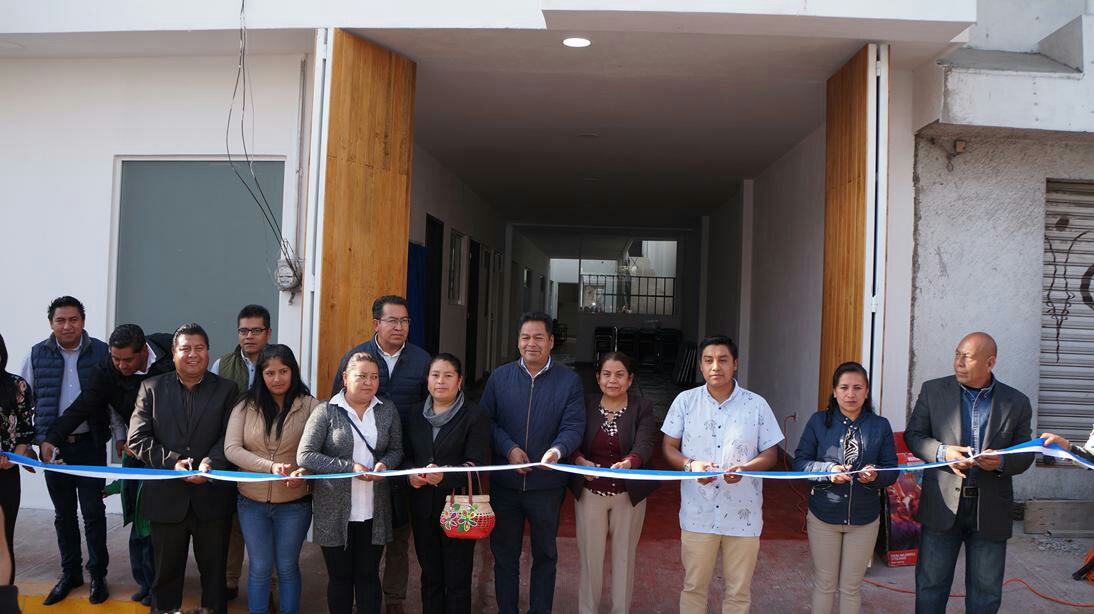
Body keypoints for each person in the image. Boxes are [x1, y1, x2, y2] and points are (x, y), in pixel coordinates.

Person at [42, 323, 173, 605]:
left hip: (170, 453)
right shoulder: (105, 370)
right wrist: (52, 437)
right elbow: (83, 405)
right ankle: (145, 583)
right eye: (116, 359)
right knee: (139, 522)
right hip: (137, 452)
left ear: (143, 352)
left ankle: (162, 585)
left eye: (127, 360)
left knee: (162, 524)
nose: (121, 366)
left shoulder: (168, 351)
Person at [905, 332, 1034, 614]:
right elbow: (914, 436)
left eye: (968, 357)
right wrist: (943, 453)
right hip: (942, 504)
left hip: (990, 508)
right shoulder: (933, 391)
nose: (959, 362)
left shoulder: (1016, 402)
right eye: (957, 354)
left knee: (985, 592)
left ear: (990, 362)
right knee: (930, 585)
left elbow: (1026, 454)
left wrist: (1001, 461)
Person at [661, 335, 783, 614]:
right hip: (697, 513)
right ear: (701, 366)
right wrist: (691, 465)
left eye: (723, 360)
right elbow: (668, 447)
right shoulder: (685, 402)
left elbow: (771, 453)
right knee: (694, 588)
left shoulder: (756, 404)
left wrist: (746, 469)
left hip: (743, 515)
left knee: (738, 592)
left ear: (735, 364)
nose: (716, 366)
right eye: (708, 360)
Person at [127, 323, 239, 614]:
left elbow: (231, 436)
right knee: (164, 578)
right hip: (166, 499)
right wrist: (172, 462)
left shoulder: (227, 390)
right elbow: (137, 439)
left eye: (199, 348)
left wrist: (211, 463)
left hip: (211, 499)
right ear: (174, 352)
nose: (193, 354)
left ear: (208, 352)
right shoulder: (151, 388)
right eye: (185, 348)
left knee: (215, 579)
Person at [330, 295, 430, 614]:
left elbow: (429, 410)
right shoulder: (356, 357)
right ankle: (356, 595)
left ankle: (394, 598)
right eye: (392, 320)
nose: (400, 327)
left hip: (402, 460)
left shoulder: (421, 360)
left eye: (405, 321)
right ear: (376, 324)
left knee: (398, 533)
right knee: (361, 535)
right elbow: (335, 406)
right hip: (359, 466)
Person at [482, 311, 585, 614]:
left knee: (545, 555)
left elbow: (574, 426)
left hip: (547, 486)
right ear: (518, 341)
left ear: (551, 341)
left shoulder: (569, 381)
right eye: (525, 337)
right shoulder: (499, 377)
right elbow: (486, 422)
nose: (531, 343)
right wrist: (509, 449)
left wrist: (556, 451)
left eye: (539, 337)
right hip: (506, 483)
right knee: (504, 555)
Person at [21, 296, 111, 605]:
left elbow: (112, 400)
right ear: (51, 323)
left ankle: (98, 575)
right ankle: (70, 573)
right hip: (54, 450)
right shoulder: (37, 354)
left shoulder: (101, 352)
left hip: (90, 446)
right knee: (64, 515)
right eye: (60, 320)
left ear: (83, 322)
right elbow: (25, 402)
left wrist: (121, 436)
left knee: (93, 513)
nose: (67, 326)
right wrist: (28, 445)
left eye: (73, 319)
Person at [299, 351, 403, 614]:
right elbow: (306, 455)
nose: (369, 382)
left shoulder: (387, 409)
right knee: (340, 578)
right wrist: (349, 468)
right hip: (334, 511)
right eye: (362, 376)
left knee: (368, 577)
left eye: (374, 377)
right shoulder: (326, 410)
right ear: (345, 378)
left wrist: (384, 465)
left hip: (374, 510)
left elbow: (396, 450)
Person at [793, 362, 898, 614]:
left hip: (864, 519)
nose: (851, 394)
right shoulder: (819, 422)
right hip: (824, 516)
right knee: (825, 584)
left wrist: (875, 476)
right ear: (834, 391)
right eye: (844, 387)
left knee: (851, 587)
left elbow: (892, 470)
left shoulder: (880, 425)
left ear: (866, 391)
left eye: (857, 388)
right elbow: (800, 463)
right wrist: (828, 471)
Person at [224, 344, 320, 614]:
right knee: (259, 567)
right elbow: (231, 449)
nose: (277, 379)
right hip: (251, 503)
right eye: (270, 373)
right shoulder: (245, 405)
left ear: (293, 372)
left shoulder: (311, 406)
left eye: (283, 371)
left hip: (294, 504)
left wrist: (305, 473)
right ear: (261, 375)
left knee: (287, 566)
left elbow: (319, 452)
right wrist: (270, 467)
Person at [569, 351, 660, 614]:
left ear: (630, 379)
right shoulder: (585, 404)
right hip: (590, 493)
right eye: (607, 374)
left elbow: (645, 443)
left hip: (627, 496)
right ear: (598, 378)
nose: (613, 380)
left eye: (620, 375)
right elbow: (571, 437)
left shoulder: (642, 407)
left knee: (624, 560)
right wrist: (579, 461)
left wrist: (629, 463)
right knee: (590, 561)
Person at [403, 353, 490, 614]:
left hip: (459, 508)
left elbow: (477, 465)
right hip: (423, 508)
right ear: (427, 380)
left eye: (448, 375)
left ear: (459, 381)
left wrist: (445, 476)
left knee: (457, 580)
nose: (441, 381)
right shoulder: (415, 413)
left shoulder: (474, 415)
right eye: (435, 375)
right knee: (430, 577)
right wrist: (410, 474)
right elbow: (405, 455)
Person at [211, 303, 274, 602]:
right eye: (243, 330)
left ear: (268, 332)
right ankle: (229, 581)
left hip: (267, 456)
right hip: (230, 454)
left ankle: (270, 588)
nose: (249, 336)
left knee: (267, 526)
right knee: (230, 522)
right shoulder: (222, 365)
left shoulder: (279, 361)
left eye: (255, 330)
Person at [0, 333, 36, 587]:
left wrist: (17, 456)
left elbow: (25, 430)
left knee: (3, 540)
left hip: (5, 472)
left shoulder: (16, 385)